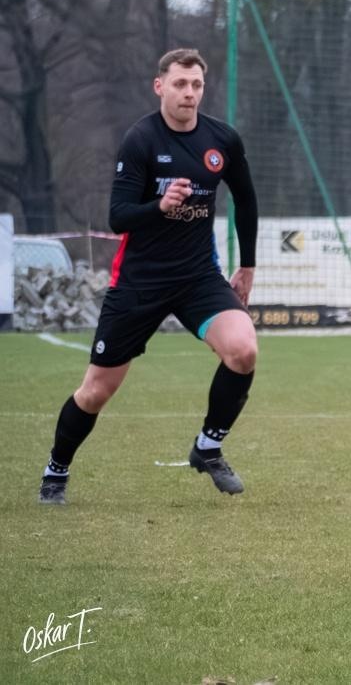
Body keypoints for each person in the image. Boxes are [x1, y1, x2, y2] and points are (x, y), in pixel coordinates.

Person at [38, 49, 260, 506]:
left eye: (196, 84)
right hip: (140, 282)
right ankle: (56, 470)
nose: (189, 93)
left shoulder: (223, 139)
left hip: (198, 276)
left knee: (243, 350)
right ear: (160, 86)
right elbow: (118, 217)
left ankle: (208, 447)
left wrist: (248, 266)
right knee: (97, 390)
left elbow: (248, 200)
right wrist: (160, 206)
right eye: (180, 84)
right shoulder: (140, 139)